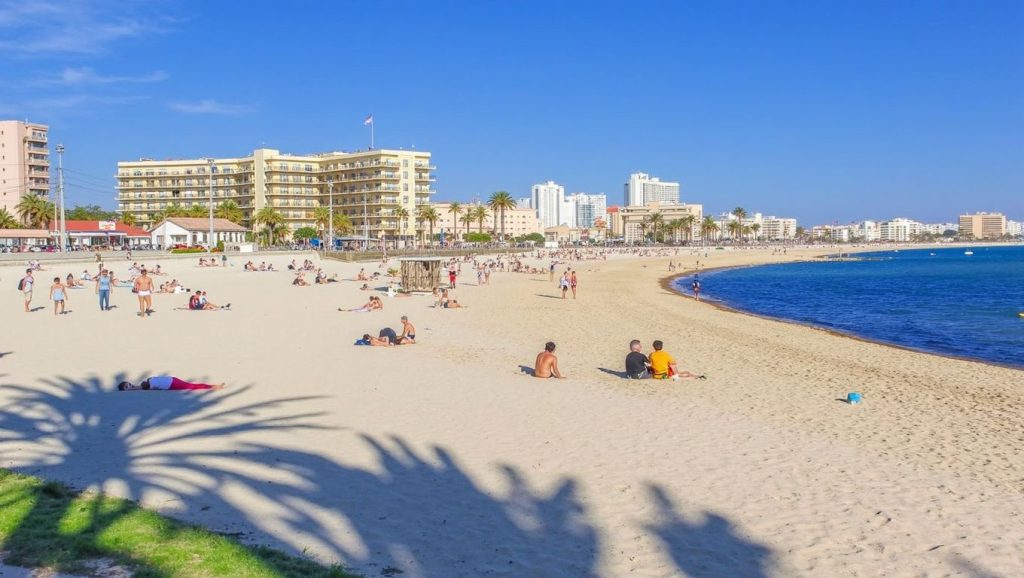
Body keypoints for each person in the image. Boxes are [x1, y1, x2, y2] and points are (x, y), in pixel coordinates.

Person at [118, 376, 224, 391]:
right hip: (171, 383)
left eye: (127, 384)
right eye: (126, 387)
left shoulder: (144, 384)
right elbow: (144, 386)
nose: (129, 385)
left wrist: (135, 388)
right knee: (190, 386)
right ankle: (213, 386)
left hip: (171, 381)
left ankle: (213, 386)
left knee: (191, 386)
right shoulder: (144, 384)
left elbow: (144, 386)